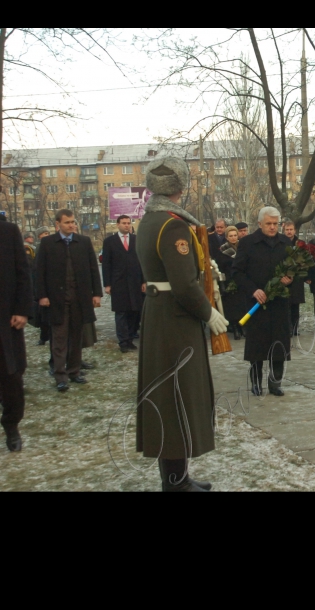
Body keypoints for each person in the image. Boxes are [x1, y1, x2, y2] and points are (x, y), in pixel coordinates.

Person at [137, 156, 228, 492]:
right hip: (176, 320)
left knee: (168, 399)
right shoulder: (173, 225)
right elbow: (184, 284)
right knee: (176, 400)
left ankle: (178, 477)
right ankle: (175, 483)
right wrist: (209, 313)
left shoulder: (150, 220)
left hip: (162, 316)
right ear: (181, 185)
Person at [36, 210, 103, 392]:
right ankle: (60, 375)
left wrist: (96, 294)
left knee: (76, 336)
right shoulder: (48, 243)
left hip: (79, 298)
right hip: (56, 300)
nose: (72, 225)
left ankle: (74, 372)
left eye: (73, 222)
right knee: (59, 338)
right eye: (67, 222)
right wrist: (42, 296)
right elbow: (39, 272)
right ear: (58, 224)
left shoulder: (83, 242)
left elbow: (93, 270)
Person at [232, 207, 293, 397]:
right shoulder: (248, 243)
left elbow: (294, 269)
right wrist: (253, 290)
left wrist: (290, 278)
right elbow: (237, 272)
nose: (273, 227)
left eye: (276, 224)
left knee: (279, 343)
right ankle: (256, 382)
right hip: (257, 303)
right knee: (257, 346)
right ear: (260, 224)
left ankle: (275, 383)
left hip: (279, 303)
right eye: (269, 224)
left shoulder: (285, 242)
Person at [0, 219, 32, 452]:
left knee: (10, 377)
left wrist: (22, 310)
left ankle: (11, 426)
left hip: (6, 319)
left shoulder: (8, 231)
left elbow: (23, 273)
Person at [102, 215, 146, 354]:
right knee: (121, 312)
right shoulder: (110, 241)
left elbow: (142, 261)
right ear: (118, 224)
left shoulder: (136, 239)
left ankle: (130, 339)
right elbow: (106, 264)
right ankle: (123, 341)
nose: (127, 225)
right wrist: (107, 284)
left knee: (134, 311)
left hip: (135, 282)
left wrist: (144, 280)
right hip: (118, 283)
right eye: (124, 223)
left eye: (129, 223)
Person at [219, 226, 246, 340]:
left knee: (243, 305)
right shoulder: (222, 250)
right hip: (229, 280)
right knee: (232, 306)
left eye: (235, 235)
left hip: (241, 279)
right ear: (226, 237)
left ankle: (243, 327)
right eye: (231, 236)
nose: (233, 238)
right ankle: (235, 328)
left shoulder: (243, 248)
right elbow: (220, 267)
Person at [282, 220, 306, 337]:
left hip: (296, 279)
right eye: (287, 230)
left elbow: (305, 260)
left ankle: (295, 328)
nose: (289, 232)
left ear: (295, 230)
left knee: (295, 306)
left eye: (291, 229)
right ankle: (287, 328)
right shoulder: (281, 242)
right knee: (285, 305)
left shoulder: (300, 243)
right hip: (284, 278)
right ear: (284, 230)